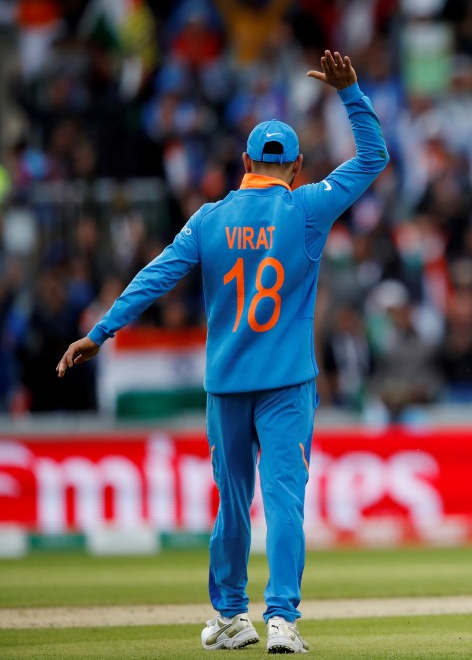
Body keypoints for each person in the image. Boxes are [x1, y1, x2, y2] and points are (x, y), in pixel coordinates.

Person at [56, 49, 389, 654]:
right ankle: (282, 620)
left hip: (227, 382)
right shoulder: (307, 206)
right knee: (284, 500)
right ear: (296, 166)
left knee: (232, 504)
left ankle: (232, 616)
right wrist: (350, 93)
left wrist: (100, 331)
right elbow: (374, 158)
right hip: (287, 382)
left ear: (244, 164)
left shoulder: (208, 219)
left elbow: (154, 278)